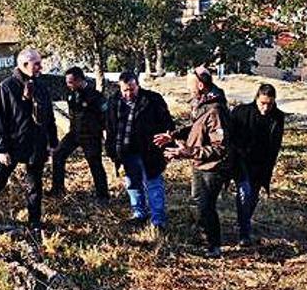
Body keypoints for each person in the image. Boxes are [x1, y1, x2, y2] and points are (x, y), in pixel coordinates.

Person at [0, 49, 58, 232]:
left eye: (40, 62)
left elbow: (49, 117)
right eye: (36, 64)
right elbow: (0, 120)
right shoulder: (6, 87)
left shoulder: (41, 86)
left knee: (35, 185)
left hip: (36, 144)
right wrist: (2, 149)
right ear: (24, 65)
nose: (40, 67)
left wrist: (52, 143)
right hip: (13, 144)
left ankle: (34, 223)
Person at [156, 67, 230, 257]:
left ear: (200, 85)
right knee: (198, 203)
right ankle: (205, 238)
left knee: (206, 206)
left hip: (212, 167)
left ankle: (214, 246)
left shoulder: (215, 110)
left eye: (190, 84)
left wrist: (188, 152)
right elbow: (196, 126)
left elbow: (220, 148)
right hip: (199, 163)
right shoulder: (202, 103)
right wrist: (173, 135)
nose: (187, 88)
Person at [105, 71, 174, 231]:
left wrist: (168, 146)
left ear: (138, 85)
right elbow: (110, 128)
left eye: (132, 89)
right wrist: (111, 150)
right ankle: (139, 214)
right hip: (126, 151)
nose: (129, 93)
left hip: (150, 152)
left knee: (153, 184)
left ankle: (158, 221)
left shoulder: (152, 100)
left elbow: (167, 125)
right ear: (120, 88)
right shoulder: (114, 101)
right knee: (132, 183)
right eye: (125, 90)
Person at [229, 84, 284, 246]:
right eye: (263, 103)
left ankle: (243, 224)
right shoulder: (241, 112)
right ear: (256, 99)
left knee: (252, 197)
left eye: (270, 104)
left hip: (261, 164)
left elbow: (275, 144)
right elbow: (230, 136)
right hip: (241, 161)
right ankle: (244, 233)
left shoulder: (277, 117)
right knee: (244, 192)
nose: (266, 107)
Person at [50, 67, 109, 202]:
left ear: (79, 80)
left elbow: (105, 117)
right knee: (58, 154)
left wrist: (105, 134)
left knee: (95, 164)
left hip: (91, 136)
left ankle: (103, 195)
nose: (68, 85)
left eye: (70, 82)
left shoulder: (95, 96)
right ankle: (57, 189)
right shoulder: (71, 94)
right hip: (74, 133)